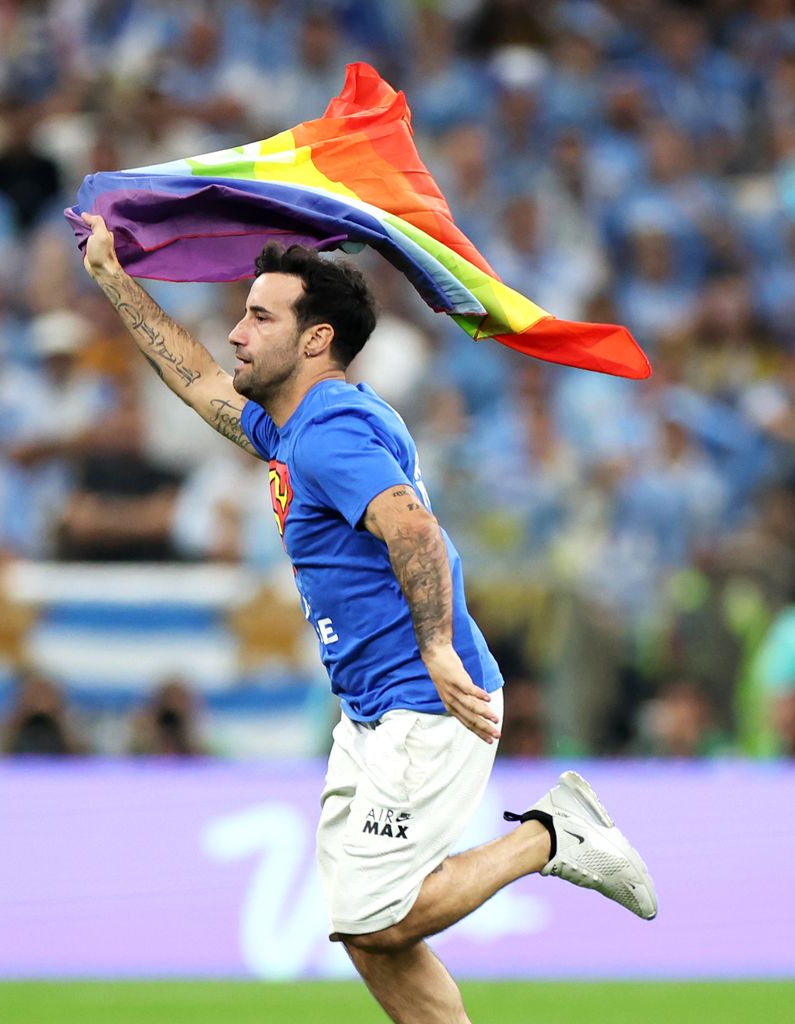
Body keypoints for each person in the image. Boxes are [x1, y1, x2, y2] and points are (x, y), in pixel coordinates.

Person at [79, 212, 656, 1023]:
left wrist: (437, 648)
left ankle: (550, 837)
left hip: (425, 700)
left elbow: (415, 529)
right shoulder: (303, 422)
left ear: (315, 341)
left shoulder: (328, 435)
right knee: (365, 934)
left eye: (260, 316)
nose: (238, 332)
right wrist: (112, 276)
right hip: (376, 707)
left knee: (378, 916)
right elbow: (200, 380)